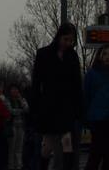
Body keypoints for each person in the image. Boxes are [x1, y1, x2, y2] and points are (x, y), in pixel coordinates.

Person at [29, 23, 83, 170]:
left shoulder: (72, 56)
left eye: (71, 40)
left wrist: (78, 109)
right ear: (59, 37)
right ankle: (43, 166)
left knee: (67, 142)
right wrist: (35, 108)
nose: (68, 43)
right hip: (48, 107)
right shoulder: (44, 54)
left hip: (66, 107)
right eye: (66, 39)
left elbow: (77, 84)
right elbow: (36, 83)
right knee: (48, 145)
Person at [84, 45, 109, 170]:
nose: (107, 57)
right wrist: (86, 118)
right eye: (105, 54)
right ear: (99, 56)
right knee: (96, 153)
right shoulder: (91, 74)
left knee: (108, 154)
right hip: (96, 119)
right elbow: (86, 96)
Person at [7, 84, 29, 170]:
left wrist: (20, 100)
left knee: (19, 149)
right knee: (12, 149)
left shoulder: (22, 99)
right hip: (12, 126)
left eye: (16, 89)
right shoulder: (8, 100)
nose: (15, 91)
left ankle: (19, 166)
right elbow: (11, 111)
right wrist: (21, 111)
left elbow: (27, 109)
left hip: (21, 126)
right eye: (13, 89)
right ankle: (11, 166)